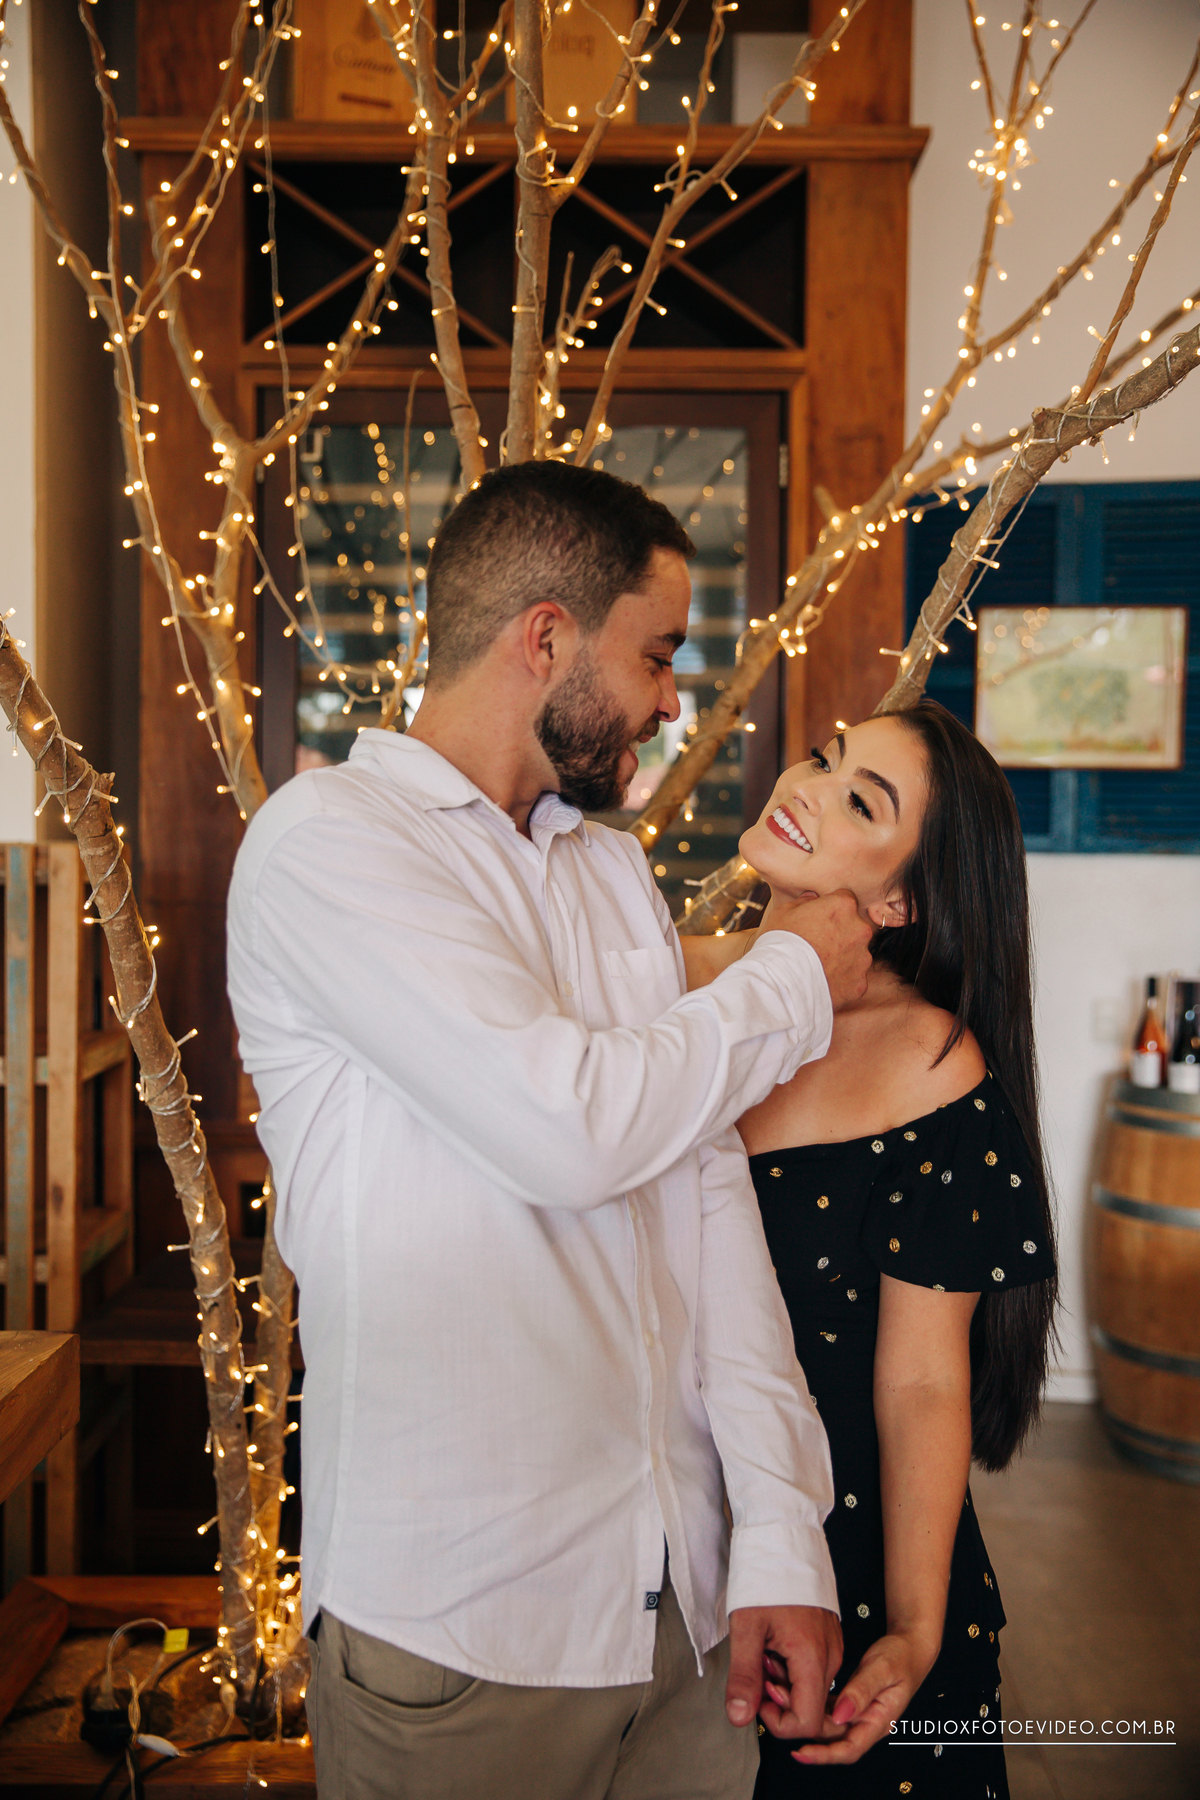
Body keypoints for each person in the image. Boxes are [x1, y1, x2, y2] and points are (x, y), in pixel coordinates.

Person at [226, 459, 876, 1800]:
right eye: (658, 655)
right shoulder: (326, 845)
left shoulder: (610, 871)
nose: (671, 700)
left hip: (687, 1618)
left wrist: (779, 1540)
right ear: (545, 638)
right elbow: (571, 1129)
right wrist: (792, 977)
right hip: (464, 1635)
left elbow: (707, 1201)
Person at [682, 700, 1058, 1798]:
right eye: (824, 759)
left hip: (848, 1558)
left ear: (900, 898)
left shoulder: (926, 1059)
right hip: (661, 1548)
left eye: (861, 802)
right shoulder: (672, 981)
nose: (807, 788)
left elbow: (923, 1378)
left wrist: (914, 1625)